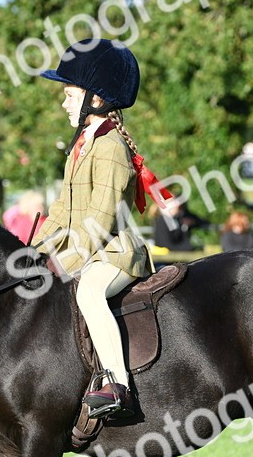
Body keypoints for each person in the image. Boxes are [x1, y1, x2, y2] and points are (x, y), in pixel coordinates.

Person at [32, 39, 167, 419]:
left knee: (89, 293)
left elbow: (100, 220)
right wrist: (31, 252)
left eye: (69, 95)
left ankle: (118, 387)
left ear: (95, 99)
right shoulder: (81, 145)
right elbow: (62, 211)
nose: (63, 103)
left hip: (114, 253)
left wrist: (63, 264)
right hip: (89, 248)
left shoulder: (110, 148)